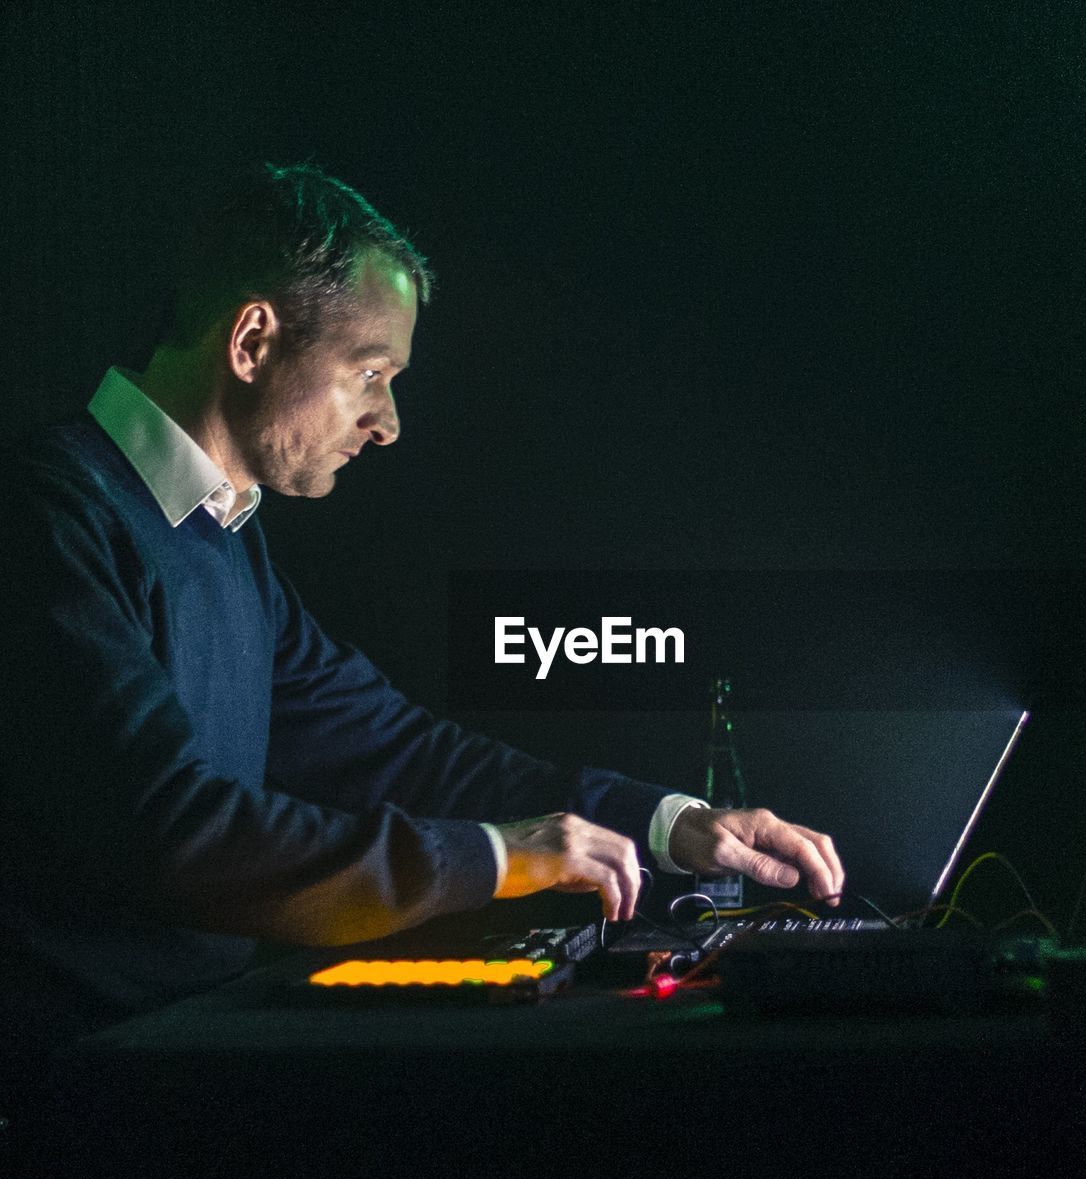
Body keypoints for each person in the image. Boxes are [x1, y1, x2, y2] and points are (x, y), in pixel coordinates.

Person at [0, 163, 842, 1099]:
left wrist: (672, 825)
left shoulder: (225, 539)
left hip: (173, 1056)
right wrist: (500, 858)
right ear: (251, 341)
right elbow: (173, 832)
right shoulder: (46, 517)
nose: (389, 422)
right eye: (370, 373)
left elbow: (398, 751)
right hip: (68, 1092)